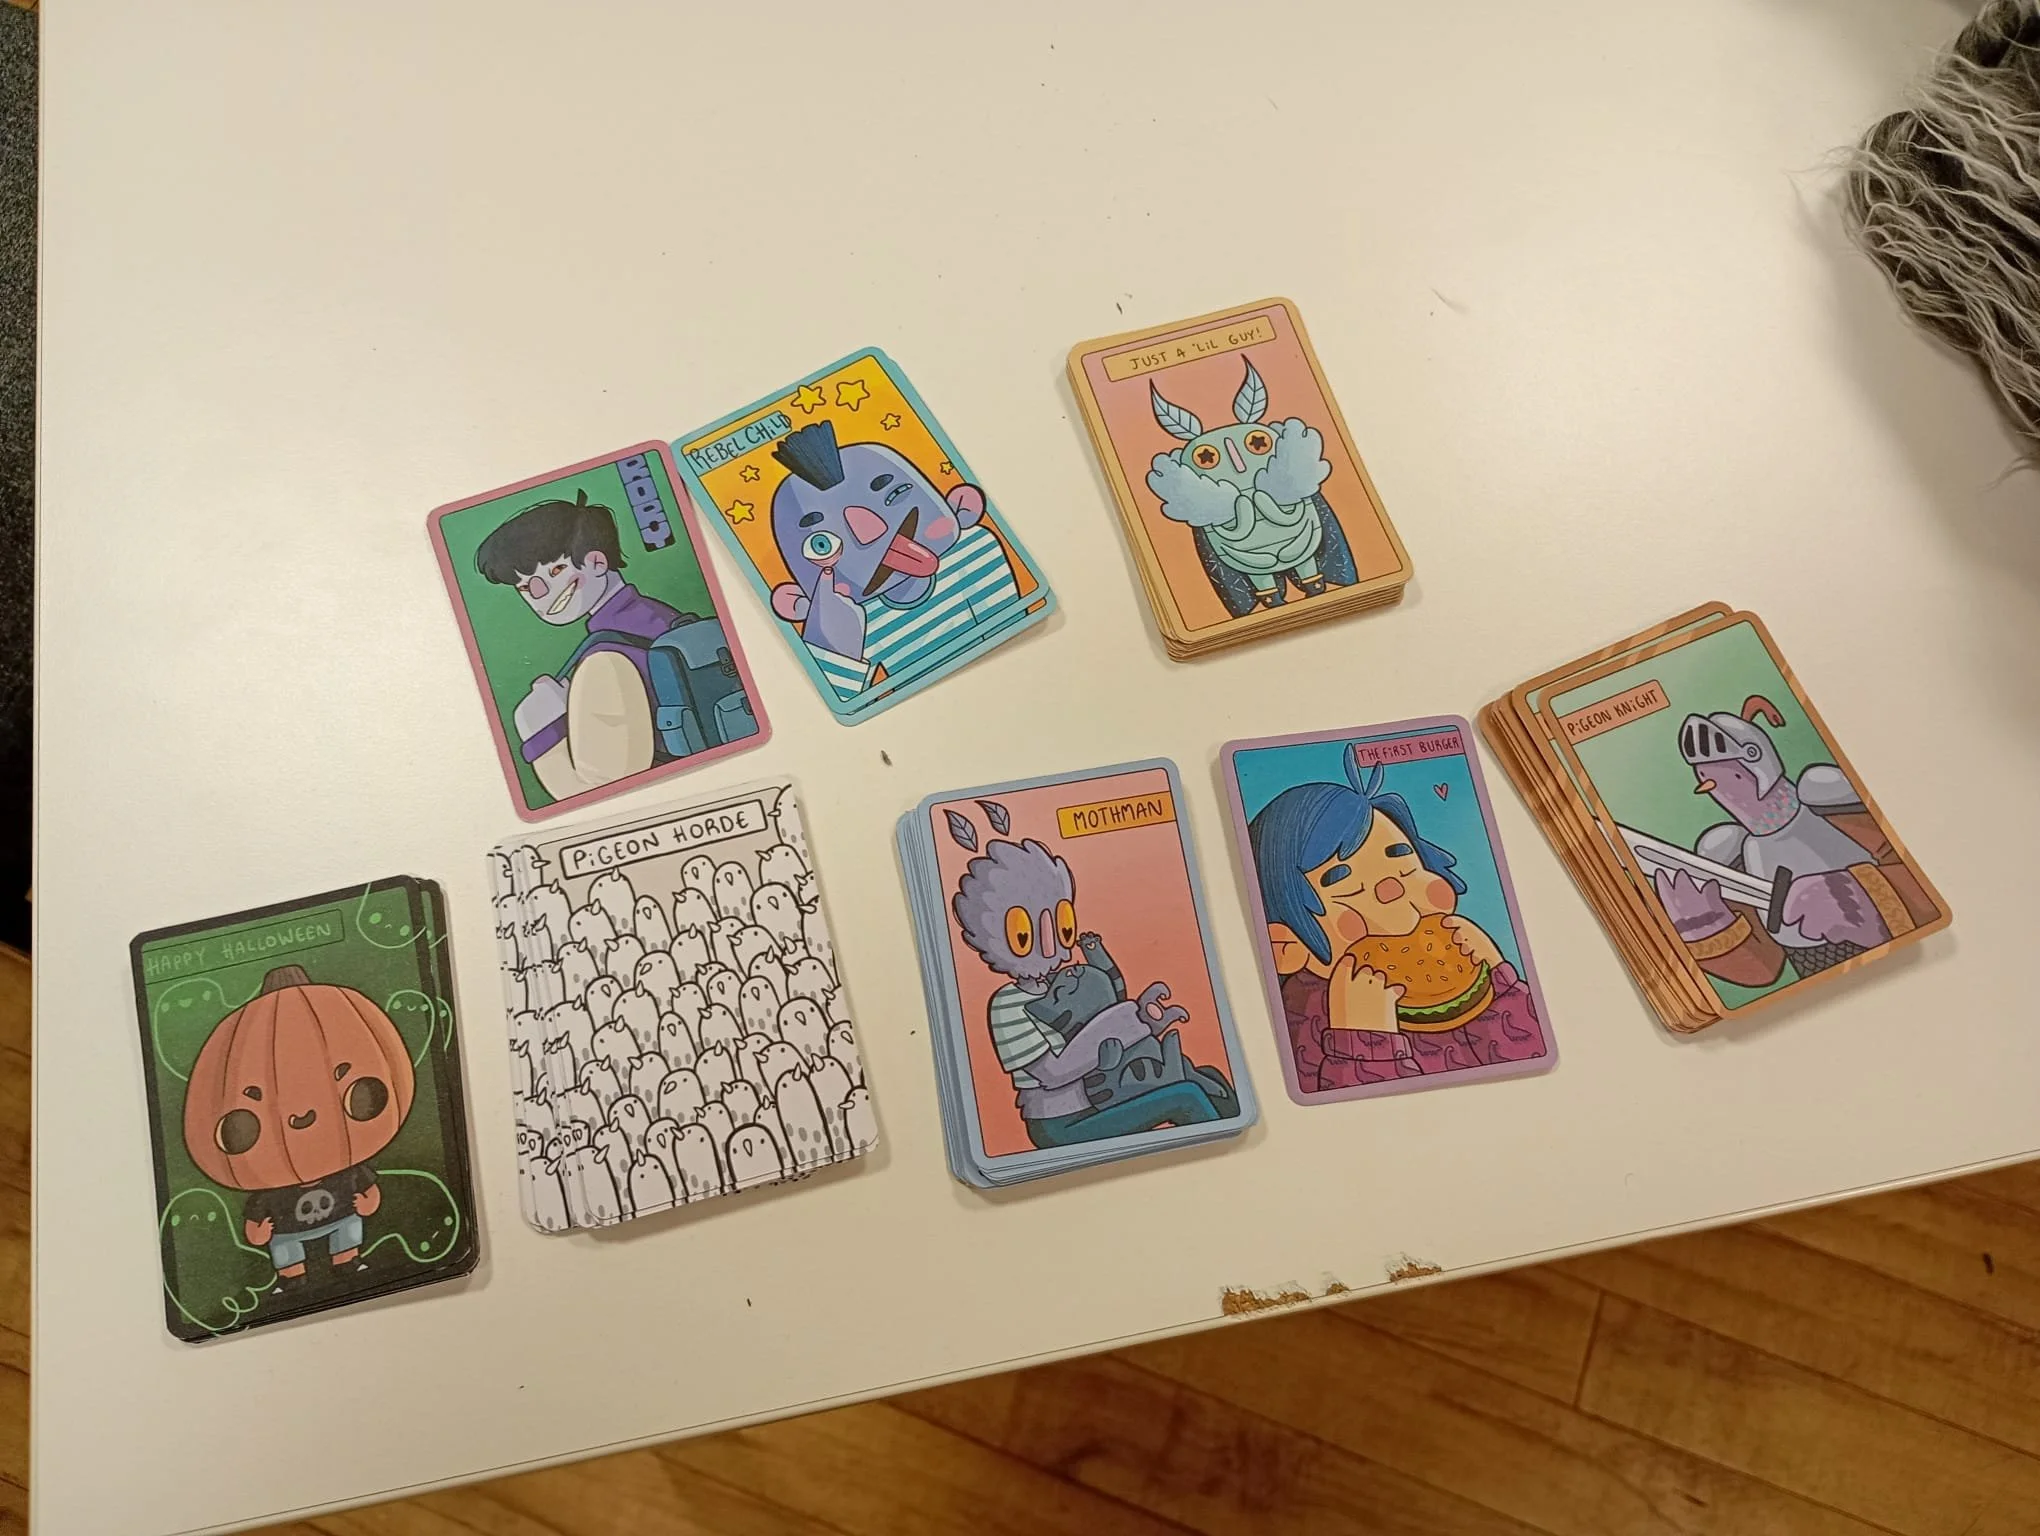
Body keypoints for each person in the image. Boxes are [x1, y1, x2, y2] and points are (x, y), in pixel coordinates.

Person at [1249, 750, 1545, 1091]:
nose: (1392, 889)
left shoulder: (1461, 969)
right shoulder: (1304, 1017)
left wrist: (1500, 985)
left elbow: (1526, 1058)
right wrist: (1363, 1040)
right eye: (1345, 884)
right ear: (1285, 947)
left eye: (1402, 861)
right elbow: (1376, 1117)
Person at [475, 492, 699, 802]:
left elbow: (606, 797)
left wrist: (540, 730)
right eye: (525, 587)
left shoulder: (606, 660)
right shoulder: (659, 616)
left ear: (596, 562)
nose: (539, 595)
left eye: (555, 572)